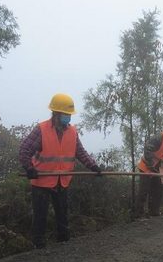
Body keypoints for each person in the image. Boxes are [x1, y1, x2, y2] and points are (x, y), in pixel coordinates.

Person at [19, 93, 102, 249]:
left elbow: (80, 152)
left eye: (70, 114)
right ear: (56, 113)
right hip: (42, 180)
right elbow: (24, 150)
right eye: (66, 114)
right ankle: (39, 245)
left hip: (62, 180)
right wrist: (29, 168)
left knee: (62, 213)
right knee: (40, 214)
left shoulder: (72, 132)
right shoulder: (41, 129)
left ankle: (63, 243)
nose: (68, 117)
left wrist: (93, 166)